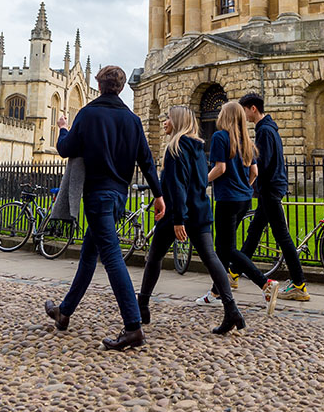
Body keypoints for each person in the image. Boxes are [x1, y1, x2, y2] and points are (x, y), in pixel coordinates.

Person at [44, 65, 164, 351]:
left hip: (98, 195)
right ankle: (64, 312)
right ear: (121, 88)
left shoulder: (88, 114)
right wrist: (159, 195)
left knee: (111, 259)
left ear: (99, 84)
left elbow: (65, 149)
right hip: (119, 197)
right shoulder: (133, 120)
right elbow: (147, 161)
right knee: (89, 255)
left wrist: (62, 129)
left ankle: (133, 327)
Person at [138, 106, 246, 334]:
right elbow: (199, 183)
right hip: (199, 212)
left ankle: (142, 305)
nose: (165, 122)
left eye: (168, 118)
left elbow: (178, 187)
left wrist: (179, 219)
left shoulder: (175, 149)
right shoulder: (198, 147)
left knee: (154, 257)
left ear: (176, 122)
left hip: (177, 214)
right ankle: (231, 309)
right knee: (212, 259)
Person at [196, 100, 280, 314]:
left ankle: (264, 283)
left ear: (225, 116)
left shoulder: (219, 137)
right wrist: (245, 187)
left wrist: (202, 182)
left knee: (225, 249)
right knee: (225, 247)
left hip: (227, 199)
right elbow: (255, 173)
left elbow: (220, 168)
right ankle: (216, 292)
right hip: (244, 199)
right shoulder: (247, 141)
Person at [238, 93, 309, 302]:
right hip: (269, 189)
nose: (243, 115)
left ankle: (299, 284)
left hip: (269, 189)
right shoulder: (267, 129)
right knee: (254, 231)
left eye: (244, 110)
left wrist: (251, 177)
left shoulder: (265, 131)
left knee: (283, 238)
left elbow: (264, 163)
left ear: (252, 109)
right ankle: (234, 273)